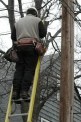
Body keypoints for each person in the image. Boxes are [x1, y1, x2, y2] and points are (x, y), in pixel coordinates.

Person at [11, 7, 47, 101]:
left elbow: (13, 36)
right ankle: (24, 92)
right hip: (31, 47)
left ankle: (15, 92)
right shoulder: (37, 20)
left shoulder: (18, 22)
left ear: (27, 13)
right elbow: (43, 34)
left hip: (19, 48)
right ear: (35, 13)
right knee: (29, 69)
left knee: (19, 70)